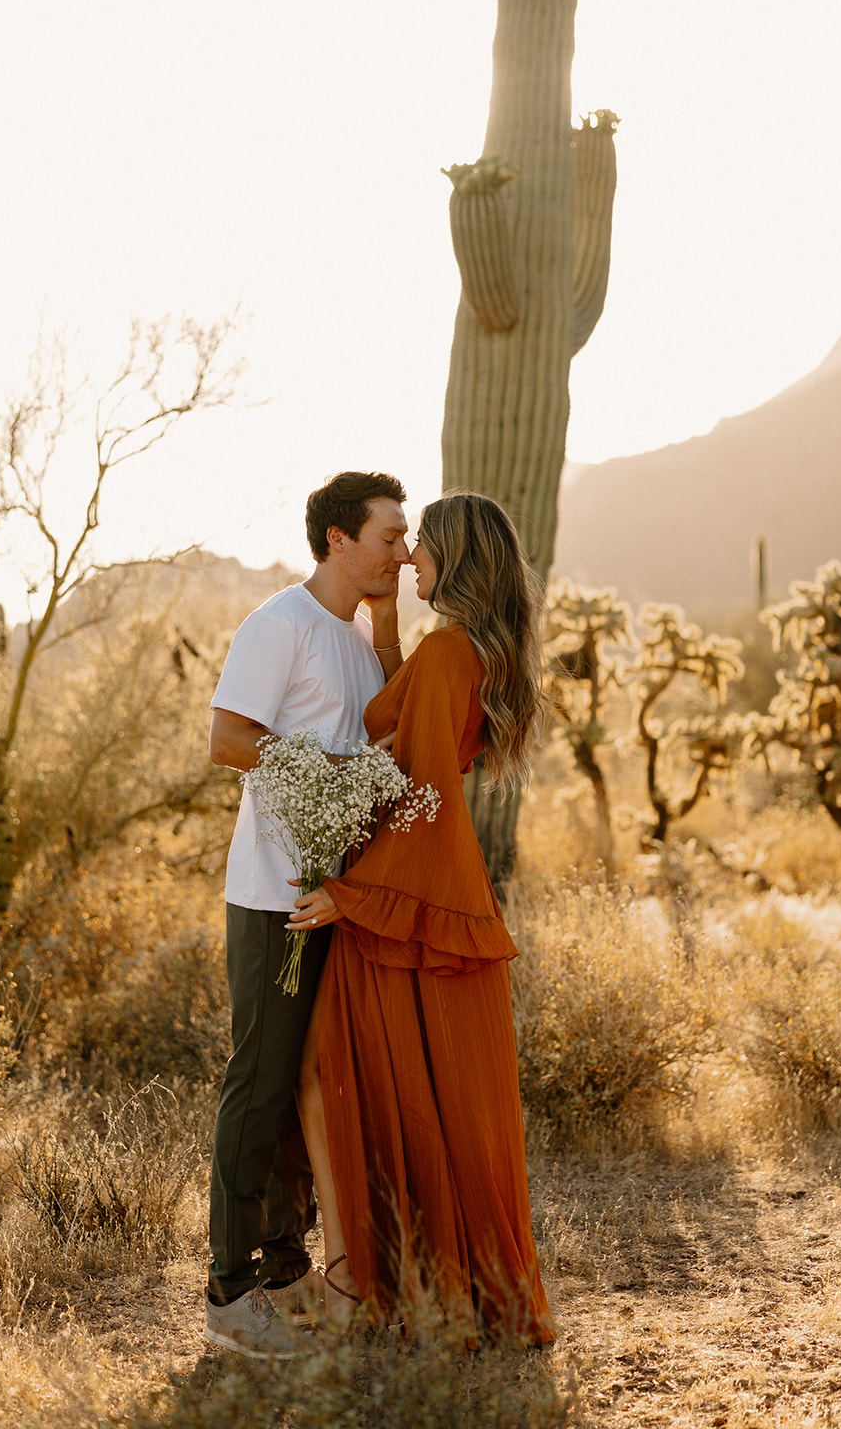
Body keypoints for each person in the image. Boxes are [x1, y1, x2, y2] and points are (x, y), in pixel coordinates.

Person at [292, 491, 555, 1349]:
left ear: (452, 556)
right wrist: (385, 628)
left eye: (420, 548)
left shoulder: (449, 652)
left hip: (410, 917)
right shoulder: (473, 651)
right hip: (442, 905)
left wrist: (353, 895)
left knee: (348, 1082)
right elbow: (414, 729)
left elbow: (423, 792)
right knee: (439, 1108)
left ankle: (379, 1293)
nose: (408, 560)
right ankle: (444, 1301)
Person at [203, 470, 410, 1359]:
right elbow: (226, 739)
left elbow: (394, 719)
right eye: (388, 537)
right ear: (337, 538)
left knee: (307, 1088)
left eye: (405, 540)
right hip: (273, 897)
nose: (402, 551)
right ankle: (227, 1294)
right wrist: (325, 773)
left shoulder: (361, 633)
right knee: (259, 1083)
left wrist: (392, 622)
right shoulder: (278, 623)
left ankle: (287, 1271)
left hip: (338, 898)